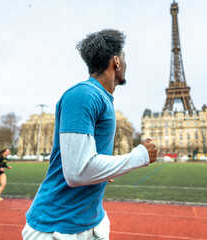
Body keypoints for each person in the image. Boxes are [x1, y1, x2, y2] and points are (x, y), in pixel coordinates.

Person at [22, 29, 157, 240]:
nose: (126, 63)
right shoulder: (84, 95)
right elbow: (77, 172)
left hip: (90, 222)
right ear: (116, 61)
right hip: (56, 227)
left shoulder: (100, 98)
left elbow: (86, 162)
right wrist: (139, 156)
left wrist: (102, 171)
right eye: (124, 57)